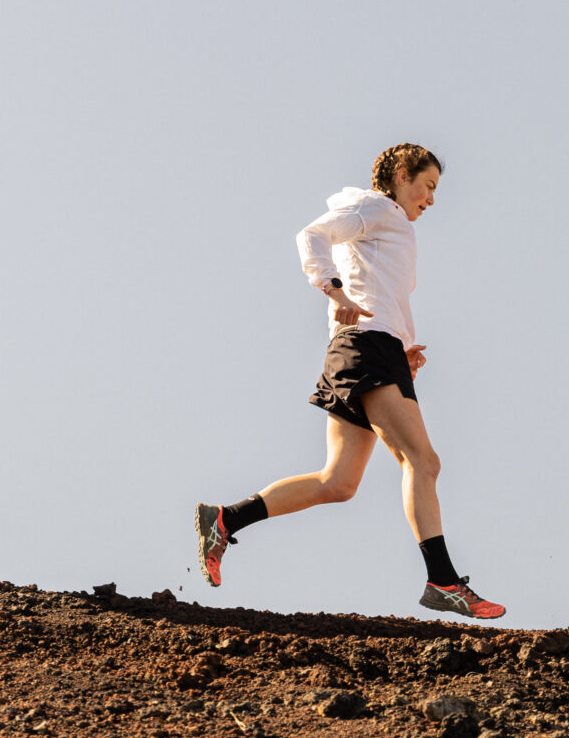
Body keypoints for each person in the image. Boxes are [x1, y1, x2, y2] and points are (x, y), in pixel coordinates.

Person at [194, 143, 504, 619]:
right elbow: (311, 235)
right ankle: (443, 580)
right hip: (366, 348)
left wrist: (401, 349)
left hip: (372, 349)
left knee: (337, 483)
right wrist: (331, 287)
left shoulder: (389, 223)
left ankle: (226, 518)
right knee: (422, 460)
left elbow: (376, 287)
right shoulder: (376, 207)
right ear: (402, 175)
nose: (432, 200)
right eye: (428, 186)